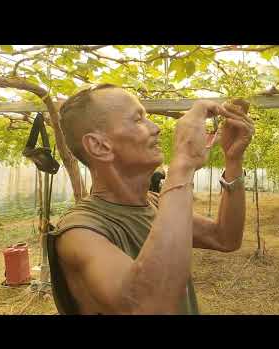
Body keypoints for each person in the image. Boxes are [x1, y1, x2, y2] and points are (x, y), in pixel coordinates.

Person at [48, 83, 254, 314]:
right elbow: (149, 305)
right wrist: (184, 161)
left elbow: (225, 238)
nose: (156, 128)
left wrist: (233, 160)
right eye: (138, 119)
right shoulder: (80, 232)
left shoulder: (155, 204)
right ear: (99, 146)